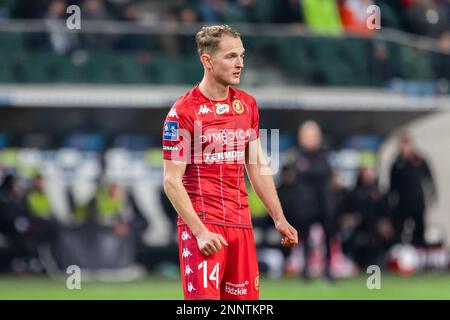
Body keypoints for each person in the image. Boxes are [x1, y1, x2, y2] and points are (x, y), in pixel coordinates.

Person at [162, 24, 298, 300]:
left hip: (241, 225)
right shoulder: (182, 113)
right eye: (231, 56)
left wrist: (278, 217)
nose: (240, 64)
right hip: (203, 225)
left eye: (242, 55)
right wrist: (199, 232)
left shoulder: (247, 105)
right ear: (207, 61)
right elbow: (171, 181)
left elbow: (258, 166)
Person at [289, 121, 336, 280]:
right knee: (305, 236)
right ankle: (306, 269)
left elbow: (324, 172)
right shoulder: (297, 156)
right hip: (306, 204)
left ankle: (329, 268)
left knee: (329, 236)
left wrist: (310, 171)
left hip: (324, 202)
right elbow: (304, 173)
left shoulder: (324, 154)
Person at [389, 134, 437, 246]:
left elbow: (429, 179)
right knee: (400, 229)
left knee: (419, 229)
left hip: (417, 202)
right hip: (402, 203)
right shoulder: (397, 164)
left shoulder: (420, 161)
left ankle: (419, 248)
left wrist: (432, 194)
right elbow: (392, 185)